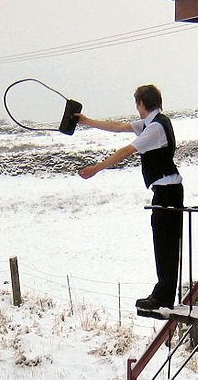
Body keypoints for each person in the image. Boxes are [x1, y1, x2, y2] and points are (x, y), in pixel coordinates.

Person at [76, 85, 183, 311]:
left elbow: (126, 151)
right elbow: (118, 127)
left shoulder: (154, 128)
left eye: (137, 103)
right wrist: (87, 121)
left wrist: (97, 168)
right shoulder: (153, 123)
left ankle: (163, 296)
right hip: (165, 192)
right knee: (163, 244)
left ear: (141, 103)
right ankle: (162, 293)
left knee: (166, 246)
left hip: (168, 193)